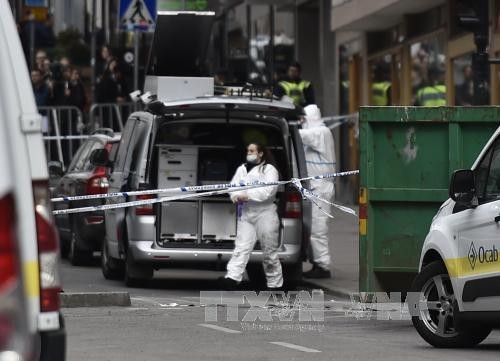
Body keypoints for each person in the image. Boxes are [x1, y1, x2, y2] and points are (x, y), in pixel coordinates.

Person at [221, 143, 283, 290]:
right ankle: (232, 278)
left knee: (269, 251)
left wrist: (247, 195)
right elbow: (233, 187)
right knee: (241, 247)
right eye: (248, 150)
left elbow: (268, 191)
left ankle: (275, 284)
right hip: (247, 214)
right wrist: (235, 196)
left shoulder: (269, 170)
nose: (249, 153)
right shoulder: (242, 169)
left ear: (260, 153)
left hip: (265, 214)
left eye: (252, 150)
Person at [299, 104, 336, 279]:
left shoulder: (321, 132)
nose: (301, 122)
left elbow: (301, 135)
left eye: (303, 119)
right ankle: (316, 263)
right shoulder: (317, 133)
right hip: (314, 186)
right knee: (312, 227)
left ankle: (323, 266)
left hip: (321, 187)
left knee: (318, 228)